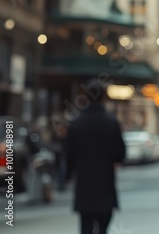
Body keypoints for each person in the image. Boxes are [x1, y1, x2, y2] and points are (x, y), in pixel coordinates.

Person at [65, 81, 126, 234]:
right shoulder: (112, 122)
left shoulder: (76, 123)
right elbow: (120, 153)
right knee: (103, 227)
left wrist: (67, 175)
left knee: (86, 226)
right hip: (105, 184)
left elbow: (69, 155)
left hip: (84, 185)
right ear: (103, 97)